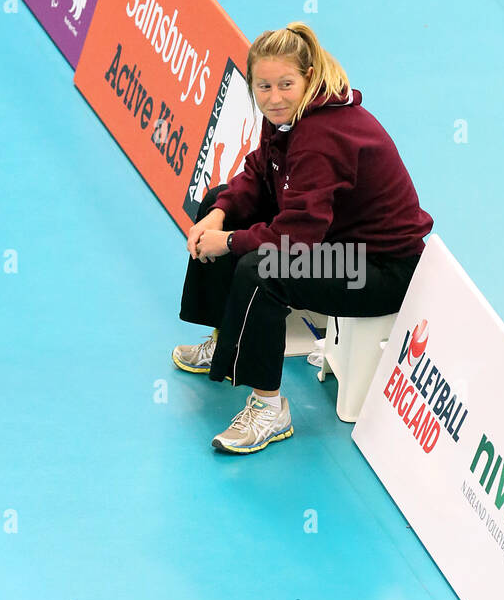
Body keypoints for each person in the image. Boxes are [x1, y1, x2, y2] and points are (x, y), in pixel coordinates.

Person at [172, 22, 433, 453]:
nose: (274, 97)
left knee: (264, 270)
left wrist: (230, 242)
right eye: (264, 86)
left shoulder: (321, 135)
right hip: (336, 241)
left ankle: (269, 409)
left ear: (308, 78)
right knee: (220, 199)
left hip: (381, 268)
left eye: (285, 85)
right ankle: (224, 341)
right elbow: (260, 170)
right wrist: (219, 215)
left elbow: (295, 240)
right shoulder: (289, 117)